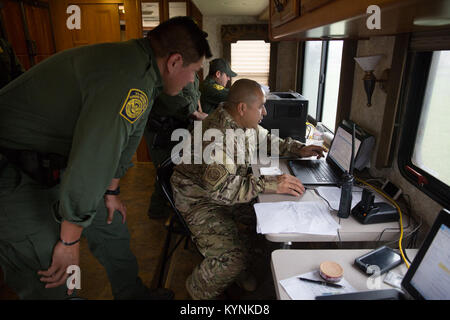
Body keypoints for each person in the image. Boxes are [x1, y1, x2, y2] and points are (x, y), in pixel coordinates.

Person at [0, 16, 211, 300]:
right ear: (174, 62)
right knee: (53, 274)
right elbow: (93, 158)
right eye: (194, 71)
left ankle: (132, 295)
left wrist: (111, 190)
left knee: (112, 229)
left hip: (55, 162)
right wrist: (69, 239)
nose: (192, 81)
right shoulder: (128, 76)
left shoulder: (145, 73)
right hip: (10, 170)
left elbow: (126, 141)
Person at [170, 79, 326, 300]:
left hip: (219, 191)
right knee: (233, 256)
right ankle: (198, 290)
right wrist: (270, 184)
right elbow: (221, 190)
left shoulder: (241, 123)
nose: (264, 112)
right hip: (198, 198)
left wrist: (298, 149)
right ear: (243, 108)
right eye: (260, 106)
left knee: (263, 220)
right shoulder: (218, 137)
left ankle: (242, 271)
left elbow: (266, 140)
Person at [145, 72, 208, 219]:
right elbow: (174, 101)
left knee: (174, 171)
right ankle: (156, 210)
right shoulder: (168, 74)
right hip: (161, 132)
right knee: (165, 171)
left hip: (179, 129)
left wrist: (199, 112)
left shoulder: (193, 73)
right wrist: (196, 114)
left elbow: (196, 94)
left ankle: (162, 207)